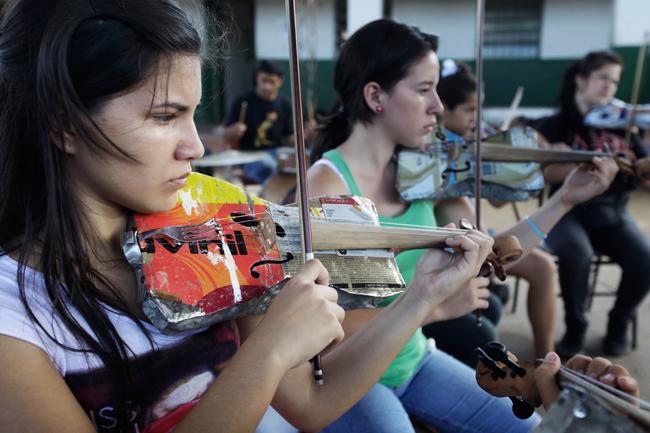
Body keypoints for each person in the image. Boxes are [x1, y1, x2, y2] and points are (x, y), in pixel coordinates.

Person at [0, 2, 510, 433]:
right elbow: (274, 369)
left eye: (194, 114)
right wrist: (267, 351)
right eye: (164, 116)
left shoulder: (208, 237)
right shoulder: (13, 315)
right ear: (64, 125)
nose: (195, 146)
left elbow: (313, 403)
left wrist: (421, 297)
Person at [306, 18, 617, 433]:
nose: (438, 105)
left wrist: (566, 199)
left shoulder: (424, 171)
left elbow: (494, 252)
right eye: (423, 90)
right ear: (376, 96)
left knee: (529, 429)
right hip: (353, 379)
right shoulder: (329, 184)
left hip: (415, 360)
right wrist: (435, 307)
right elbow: (329, 332)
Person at [421, 61, 559, 363]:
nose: (477, 119)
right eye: (470, 110)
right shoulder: (435, 151)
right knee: (526, 278)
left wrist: (534, 162)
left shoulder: (468, 144)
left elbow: (495, 204)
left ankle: (545, 358)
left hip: (471, 234)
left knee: (540, 268)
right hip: (447, 243)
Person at [536, 50, 650, 358]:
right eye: (602, 78)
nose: (609, 87)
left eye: (614, 81)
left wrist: (638, 168)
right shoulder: (556, 124)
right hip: (568, 213)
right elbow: (541, 174)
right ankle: (576, 326)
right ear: (581, 79)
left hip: (612, 214)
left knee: (645, 257)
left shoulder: (623, 125)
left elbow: (641, 171)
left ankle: (618, 322)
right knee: (576, 252)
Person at [221, 60, 294, 184]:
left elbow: (289, 138)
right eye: (263, 80)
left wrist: (302, 137)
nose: (266, 86)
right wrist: (233, 131)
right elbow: (224, 134)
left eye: (271, 82)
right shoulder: (243, 101)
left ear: (280, 82)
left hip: (276, 154)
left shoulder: (285, 105)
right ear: (257, 78)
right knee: (269, 167)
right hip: (250, 156)